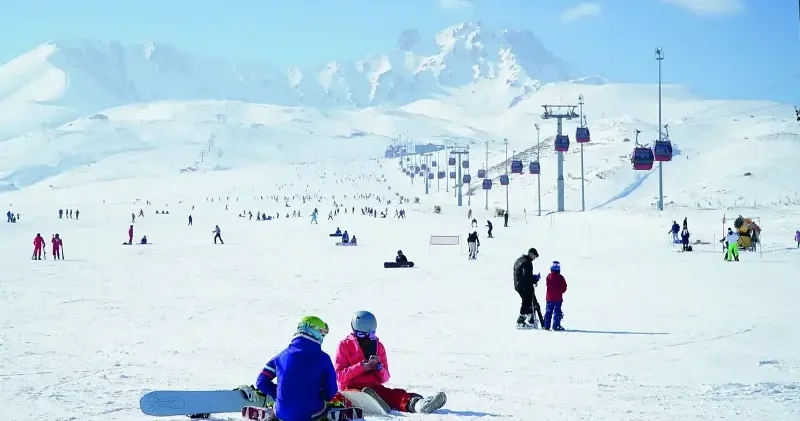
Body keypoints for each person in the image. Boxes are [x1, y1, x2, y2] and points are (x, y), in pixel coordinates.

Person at [233, 316, 354, 421]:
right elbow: (331, 392)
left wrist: (280, 395)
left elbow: (261, 382)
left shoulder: (280, 357)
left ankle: (270, 412)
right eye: (322, 333)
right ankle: (331, 414)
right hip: (311, 413)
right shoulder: (323, 358)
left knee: (279, 408)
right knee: (326, 407)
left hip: (283, 413)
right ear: (316, 333)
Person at [334, 311, 447, 414]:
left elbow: (385, 378)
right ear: (354, 330)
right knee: (356, 395)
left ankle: (418, 404)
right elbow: (339, 376)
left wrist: (379, 367)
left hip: (374, 388)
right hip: (351, 389)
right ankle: (371, 400)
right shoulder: (344, 345)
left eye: (371, 334)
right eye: (361, 335)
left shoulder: (378, 346)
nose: (366, 338)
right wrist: (361, 367)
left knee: (394, 395)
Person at [513, 248, 541, 328]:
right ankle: (521, 321)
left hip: (518, 284)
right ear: (530, 254)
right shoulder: (527, 262)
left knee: (527, 300)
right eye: (534, 257)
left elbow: (522, 274)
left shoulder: (520, 260)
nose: (534, 259)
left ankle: (530, 317)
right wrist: (534, 279)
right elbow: (527, 277)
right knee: (527, 301)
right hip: (523, 285)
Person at [543, 261, 567, 331]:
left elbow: (547, 284)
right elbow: (564, 287)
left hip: (549, 297)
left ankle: (546, 325)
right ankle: (556, 326)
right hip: (557, 298)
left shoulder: (548, 276)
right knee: (557, 312)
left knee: (548, 311)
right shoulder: (560, 277)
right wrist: (560, 292)